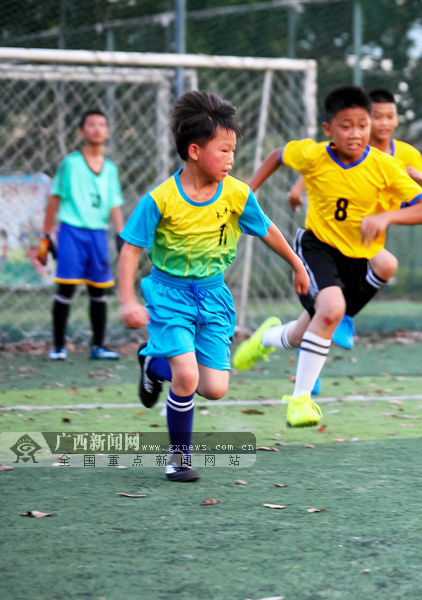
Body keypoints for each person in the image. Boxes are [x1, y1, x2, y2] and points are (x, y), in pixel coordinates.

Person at [117, 91, 309, 482]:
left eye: (233, 150)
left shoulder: (237, 193)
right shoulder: (161, 199)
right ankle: (178, 458)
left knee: (214, 388)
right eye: (223, 150)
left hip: (213, 295)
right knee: (186, 376)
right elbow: (130, 249)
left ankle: (153, 364)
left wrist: (296, 263)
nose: (231, 159)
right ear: (194, 151)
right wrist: (126, 300)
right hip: (169, 294)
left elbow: (269, 230)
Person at [231, 85, 422, 427]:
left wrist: (386, 216)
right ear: (328, 130)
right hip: (316, 247)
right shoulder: (313, 155)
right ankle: (301, 400)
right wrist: (248, 190)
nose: (356, 134)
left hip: (356, 260)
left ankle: (264, 339)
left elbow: (421, 210)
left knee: (303, 333)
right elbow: (278, 154)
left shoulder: (384, 166)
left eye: (362, 125)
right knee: (334, 309)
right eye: (346, 125)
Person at [285, 88, 422, 393]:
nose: (382, 122)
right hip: (335, 236)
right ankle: (312, 363)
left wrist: (421, 182)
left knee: (378, 271)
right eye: (377, 116)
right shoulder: (347, 144)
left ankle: (335, 325)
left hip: (367, 239)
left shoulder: (405, 155)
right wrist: (297, 187)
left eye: (388, 116)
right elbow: (320, 164)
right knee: (337, 301)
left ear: (396, 120)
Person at [38, 109, 125, 361]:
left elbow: (114, 204)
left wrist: (122, 236)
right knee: (66, 288)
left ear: (107, 132)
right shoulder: (71, 163)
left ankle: (98, 346)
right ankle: (58, 346)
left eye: (102, 124)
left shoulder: (110, 169)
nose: (97, 129)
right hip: (71, 232)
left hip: (98, 234)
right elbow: (56, 197)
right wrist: (45, 235)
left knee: (99, 291)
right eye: (91, 124)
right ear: (81, 131)